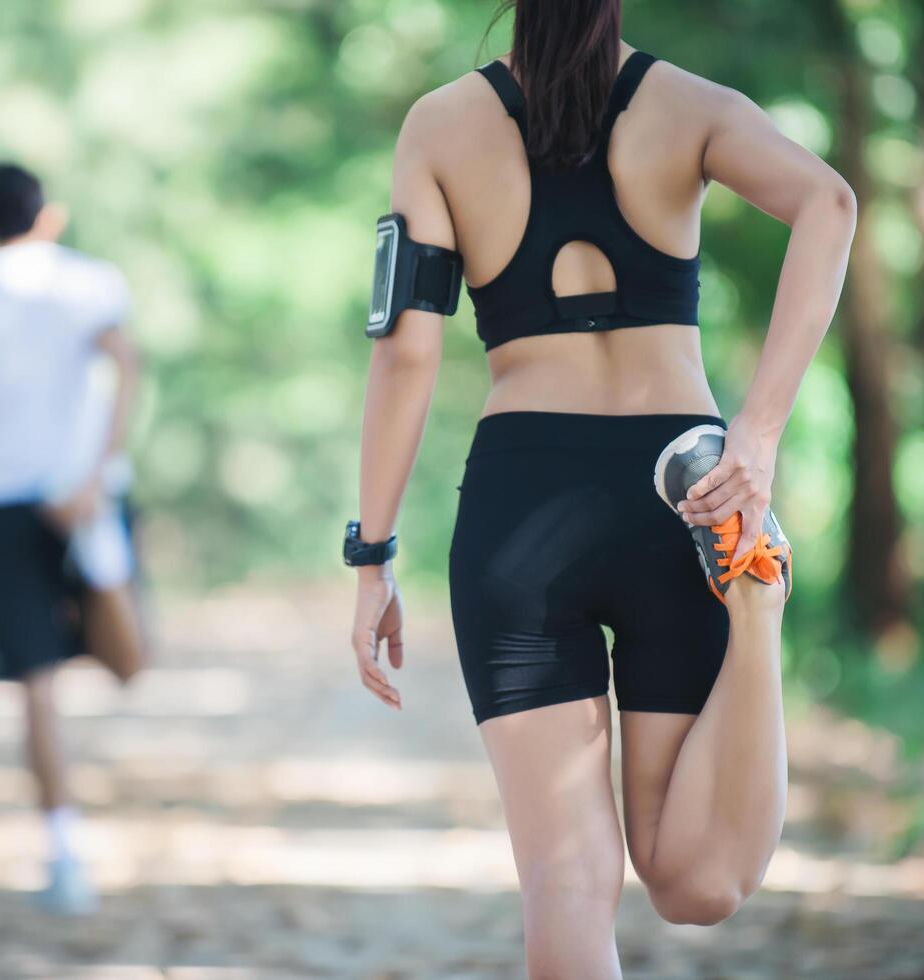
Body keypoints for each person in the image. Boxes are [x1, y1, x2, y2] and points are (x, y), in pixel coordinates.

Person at [347, 2, 856, 975]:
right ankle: (757, 616)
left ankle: (752, 617)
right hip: (686, 493)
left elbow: (406, 356)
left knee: (566, 881)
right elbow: (826, 203)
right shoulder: (689, 106)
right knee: (694, 882)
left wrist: (370, 555)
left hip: (519, 506)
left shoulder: (439, 126)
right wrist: (755, 431)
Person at [0, 163, 147, 916]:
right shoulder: (91, 280)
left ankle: (64, 852)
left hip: (2, 503)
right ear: (47, 214)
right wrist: (99, 472)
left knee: (36, 686)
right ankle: (104, 572)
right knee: (126, 662)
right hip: (82, 492)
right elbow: (127, 367)